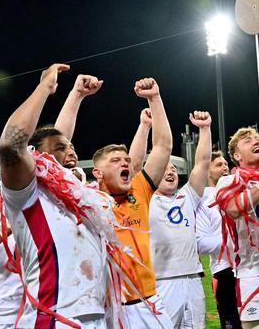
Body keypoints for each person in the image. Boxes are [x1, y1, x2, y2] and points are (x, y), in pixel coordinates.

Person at [0, 64, 110, 328]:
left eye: (72, 147)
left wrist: (76, 95)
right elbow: (11, 145)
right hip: (53, 319)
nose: (71, 152)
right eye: (61, 149)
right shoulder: (28, 195)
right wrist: (45, 87)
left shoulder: (73, 195)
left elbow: (58, 142)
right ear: (39, 157)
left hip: (97, 316)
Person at [92, 77, 173, 328]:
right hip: (108, 309)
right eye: (115, 161)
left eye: (126, 160)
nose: (125, 163)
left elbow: (163, 146)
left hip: (148, 302)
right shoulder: (87, 201)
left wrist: (155, 98)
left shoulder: (139, 189)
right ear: (97, 173)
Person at [147, 111, 212, 329]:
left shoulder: (188, 197)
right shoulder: (144, 200)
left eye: (174, 168)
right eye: (165, 168)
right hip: (161, 281)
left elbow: (202, 164)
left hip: (193, 278)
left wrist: (204, 129)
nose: (170, 172)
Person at [213, 127, 259, 329]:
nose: (256, 142)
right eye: (248, 140)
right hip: (253, 271)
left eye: (257, 139)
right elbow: (233, 209)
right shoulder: (229, 181)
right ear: (237, 155)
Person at [195, 150, 243, 329]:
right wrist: (235, 240)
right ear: (207, 172)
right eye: (218, 165)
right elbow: (200, 242)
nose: (225, 167)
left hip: (249, 268)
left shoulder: (240, 192)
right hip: (225, 272)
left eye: (225, 164)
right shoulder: (203, 201)